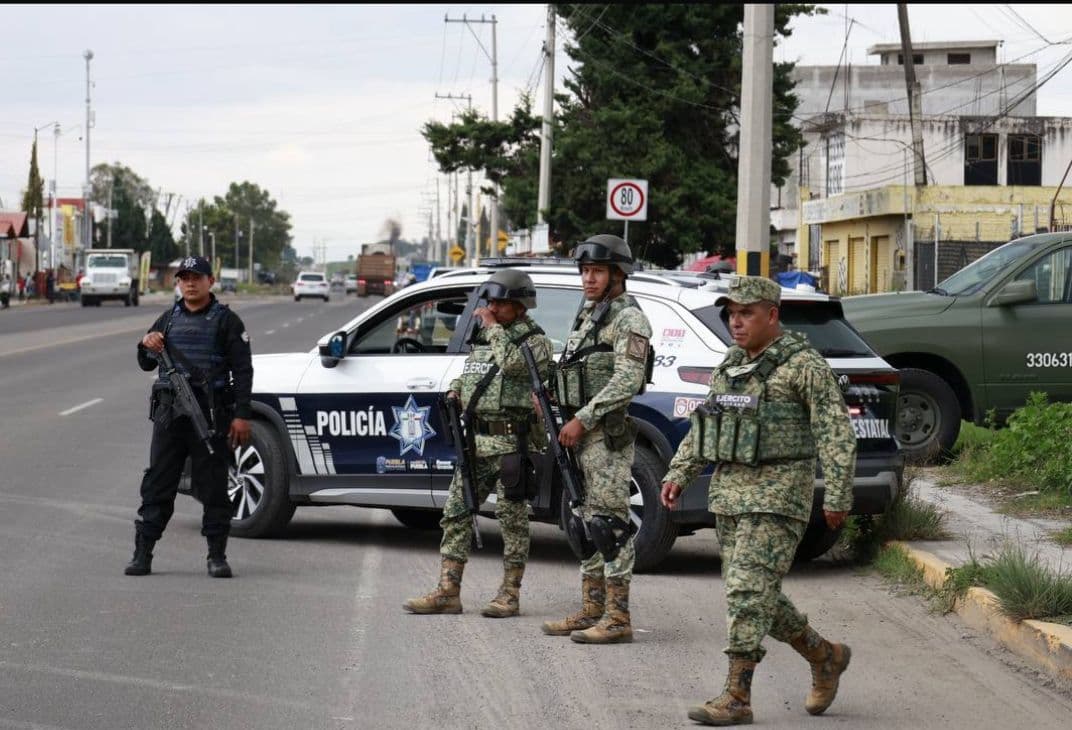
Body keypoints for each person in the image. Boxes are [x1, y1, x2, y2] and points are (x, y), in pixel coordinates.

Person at [659, 275, 857, 726]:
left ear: (772, 315)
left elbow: (835, 432)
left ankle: (737, 697)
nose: (736, 322)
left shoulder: (803, 365)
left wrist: (839, 494)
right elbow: (706, 424)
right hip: (730, 495)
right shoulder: (730, 364)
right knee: (752, 594)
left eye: (746, 313)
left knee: (748, 592)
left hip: (778, 495)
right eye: (731, 313)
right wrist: (678, 473)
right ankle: (824, 656)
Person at [404, 269, 553, 617]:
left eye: (500, 302)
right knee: (455, 513)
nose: (492, 308)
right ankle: (447, 590)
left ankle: (509, 593)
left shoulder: (535, 342)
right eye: (491, 302)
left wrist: (493, 327)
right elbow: (476, 370)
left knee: (511, 520)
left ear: (519, 305)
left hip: (510, 445)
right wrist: (457, 387)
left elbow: (512, 365)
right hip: (476, 443)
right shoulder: (487, 338)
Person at [541, 234, 652, 644]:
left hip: (604, 435)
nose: (589, 279)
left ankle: (618, 617)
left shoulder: (628, 319)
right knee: (581, 522)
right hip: (577, 430)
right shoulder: (590, 313)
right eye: (585, 271)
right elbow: (580, 365)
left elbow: (629, 377)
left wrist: (583, 419)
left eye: (598, 271)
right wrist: (554, 396)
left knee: (610, 525)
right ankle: (591, 608)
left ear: (618, 275)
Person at [125, 256, 253, 578]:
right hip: (170, 419)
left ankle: (216, 556)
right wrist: (145, 344)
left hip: (210, 418)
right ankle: (143, 554)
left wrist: (241, 416)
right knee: (158, 484)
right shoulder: (167, 319)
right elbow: (145, 362)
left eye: (196, 277)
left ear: (211, 281)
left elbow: (243, 372)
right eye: (184, 278)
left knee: (213, 487)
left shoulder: (227, 322)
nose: (190, 283)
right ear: (178, 283)